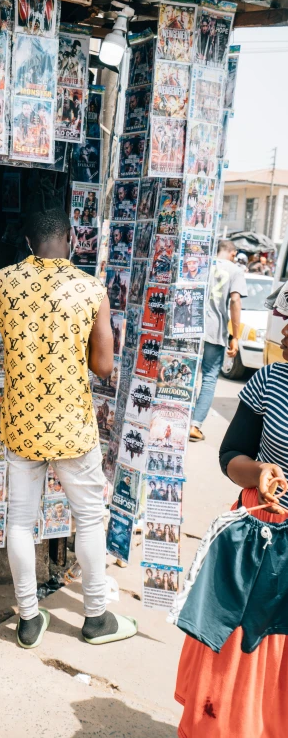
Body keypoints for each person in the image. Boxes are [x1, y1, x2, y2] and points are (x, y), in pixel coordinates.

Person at [0, 207, 137, 650]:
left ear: (28, 241)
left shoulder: (2, 281)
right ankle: (96, 619)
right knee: (88, 519)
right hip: (71, 424)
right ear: (70, 238)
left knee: (20, 523)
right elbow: (103, 366)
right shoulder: (89, 289)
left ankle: (28, 620)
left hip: (21, 422)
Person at [173, 327, 288, 738]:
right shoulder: (271, 381)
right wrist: (259, 472)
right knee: (236, 660)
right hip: (256, 542)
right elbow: (230, 456)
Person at [190, 240, 247, 442]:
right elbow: (235, 300)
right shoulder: (235, 270)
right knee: (209, 377)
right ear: (233, 254)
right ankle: (195, 425)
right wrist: (236, 336)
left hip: (191, 325)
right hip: (215, 330)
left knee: (186, 372)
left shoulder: (201, 262)